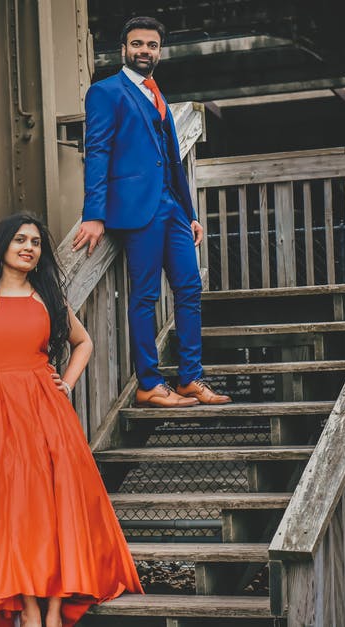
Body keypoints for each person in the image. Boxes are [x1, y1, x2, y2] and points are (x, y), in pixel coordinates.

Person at [0, 214, 143, 627]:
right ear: (2, 245)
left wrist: (67, 385)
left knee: (51, 508)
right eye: (20, 239)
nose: (28, 247)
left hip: (45, 411)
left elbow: (84, 342)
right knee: (9, 512)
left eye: (36, 243)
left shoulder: (47, 295)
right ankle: (30, 605)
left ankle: (53, 607)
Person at [72, 16, 231, 409]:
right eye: (138, 44)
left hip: (172, 208)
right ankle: (150, 382)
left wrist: (189, 211)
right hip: (136, 209)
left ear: (160, 51)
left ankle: (191, 378)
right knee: (144, 295)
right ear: (123, 49)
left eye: (152, 45)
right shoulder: (105, 92)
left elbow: (173, 161)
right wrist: (94, 213)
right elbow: (98, 153)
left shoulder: (157, 92)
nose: (145, 51)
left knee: (190, 288)